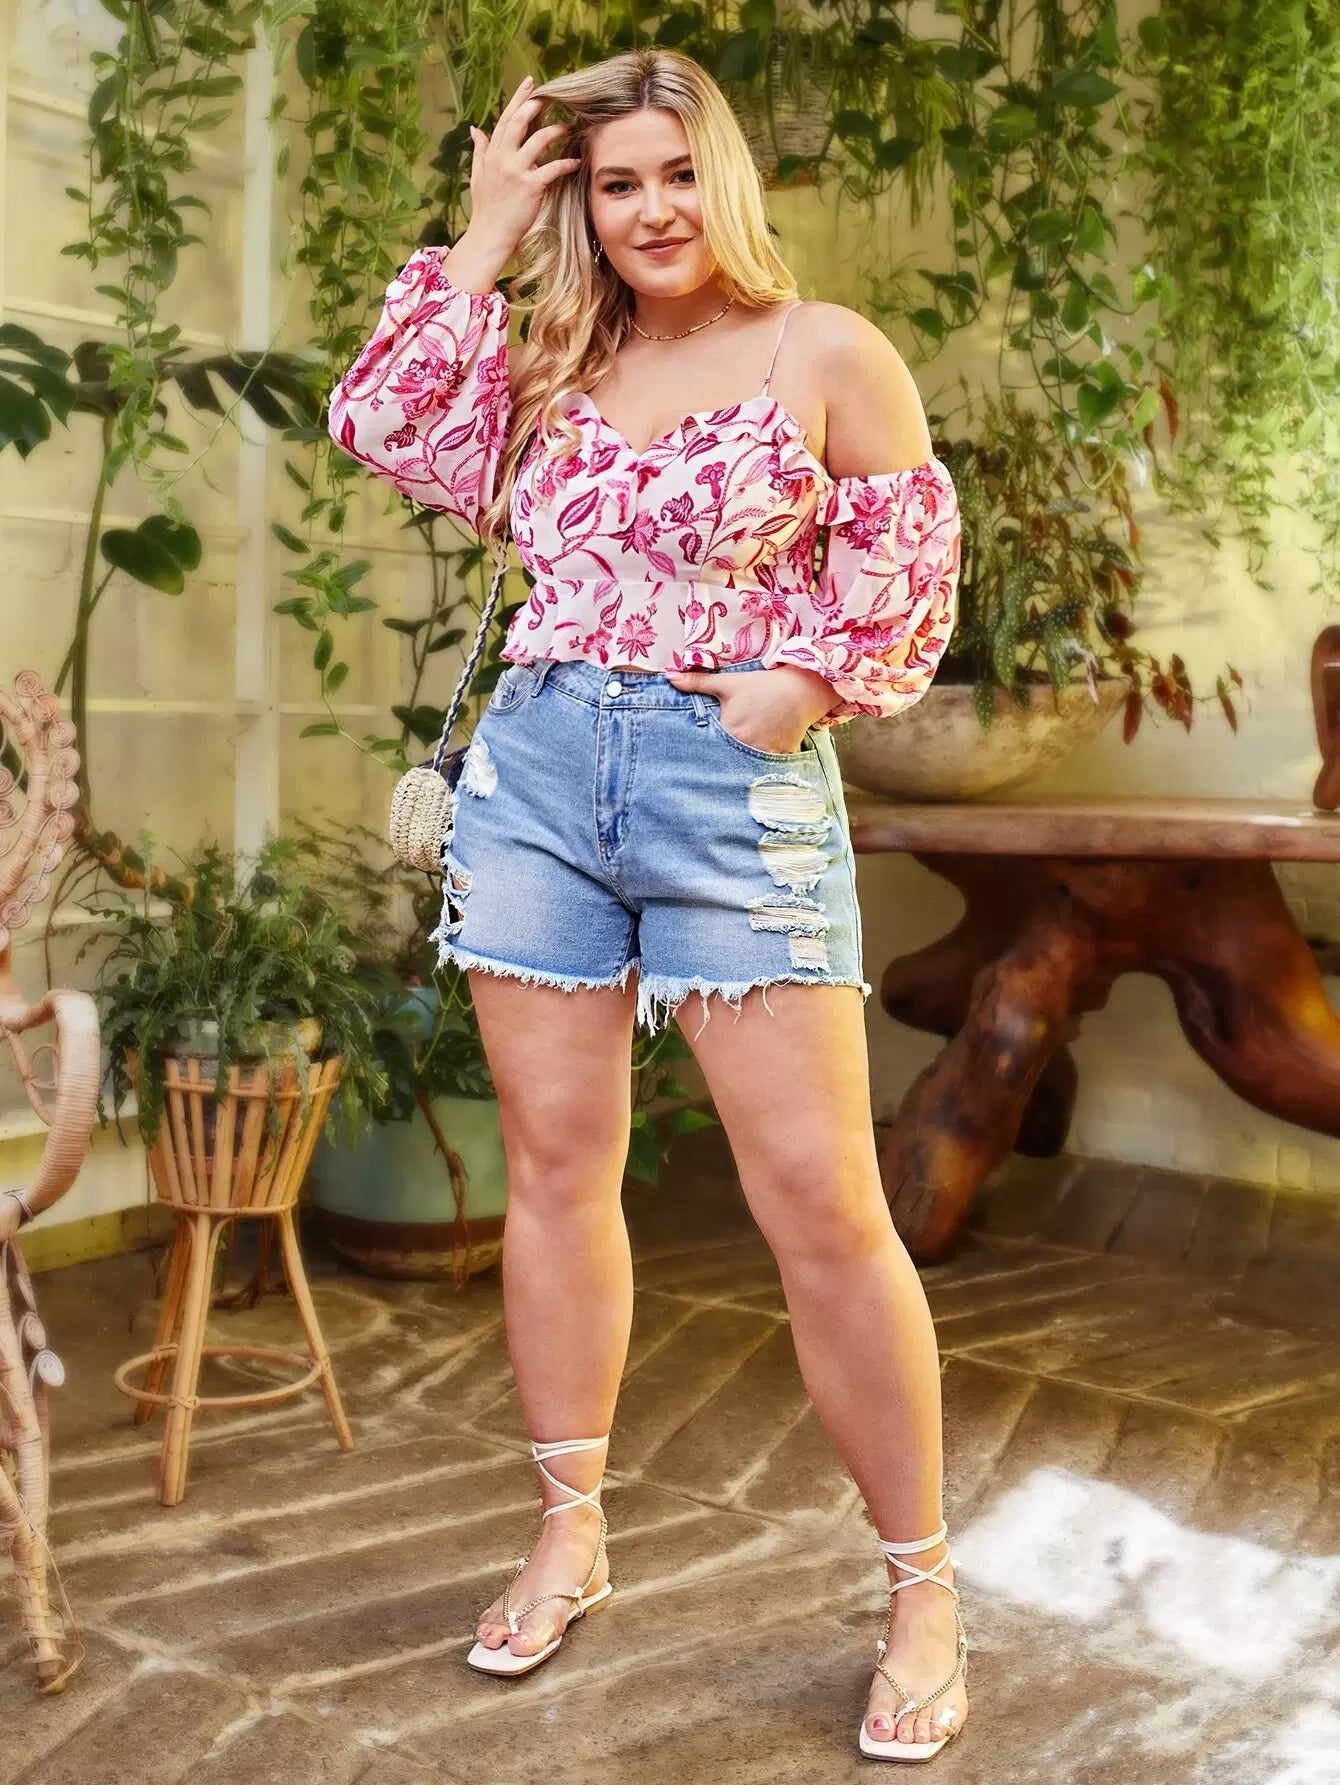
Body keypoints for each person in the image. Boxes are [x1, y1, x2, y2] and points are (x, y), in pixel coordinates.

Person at [328, 47, 965, 1763]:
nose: (652, 209)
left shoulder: (825, 351)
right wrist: (482, 235)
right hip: (535, 780)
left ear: (725, 176)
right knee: (555, 1167)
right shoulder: (550, 356)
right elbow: (380, 422)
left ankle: (920, 1585)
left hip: (729, 791)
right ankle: (569, 1526)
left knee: (821, 1198)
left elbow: (908, 575)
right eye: (617, 183)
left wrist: (805, 685)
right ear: (585, 205)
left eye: (678, 173)